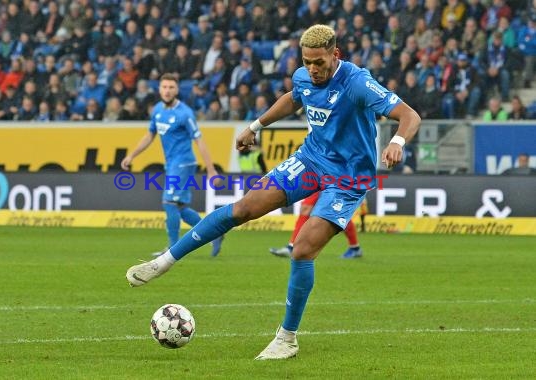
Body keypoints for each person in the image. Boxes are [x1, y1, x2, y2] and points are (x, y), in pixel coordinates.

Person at [125, 25, 421, 360]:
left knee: (303, 249)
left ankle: (287, 339)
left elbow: (409, 115)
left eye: (319, 62)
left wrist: (397, 142)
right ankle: (164, 261)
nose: (312, 69)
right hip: (310, 160)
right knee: (243, 208)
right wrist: (255, 126)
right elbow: (293, 99)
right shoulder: (303, 76)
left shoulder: (357, 83)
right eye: (307, 62)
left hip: (349, 177)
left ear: (335, 54)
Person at [121, 73, 224, 257]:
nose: (167, 91)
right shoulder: (157, 111)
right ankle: (215, 233)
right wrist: (132, 155)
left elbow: (199, 140)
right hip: (172, 164)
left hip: (184, 163)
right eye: (164, 87)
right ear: (159, 89)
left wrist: (211, 170)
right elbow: (149, 135)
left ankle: (172, 248)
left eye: (171, 87)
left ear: (177, 90)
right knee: (181, 208)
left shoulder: (184, 113)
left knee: (169, 202)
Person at [269, 192, 363, 259]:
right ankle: (292, 247)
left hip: (335, 175)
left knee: (337, 212)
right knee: (307, 208)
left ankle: (355, 248)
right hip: (322, 174)